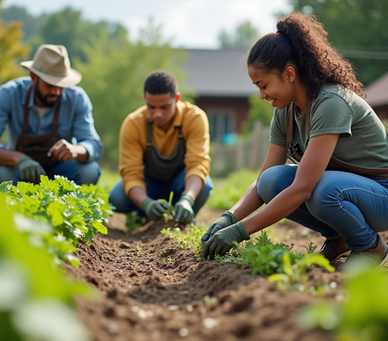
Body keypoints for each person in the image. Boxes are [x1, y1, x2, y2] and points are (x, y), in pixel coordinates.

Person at [202, 13, 388, 271]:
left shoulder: (331, 102)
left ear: (289, 73)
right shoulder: (285, 113)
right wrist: (229, 217)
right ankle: (340, 239)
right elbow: (263, 180)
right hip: (347, 190)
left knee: (323, 191)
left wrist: (240, 231)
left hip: (381, 194)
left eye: (264, 85)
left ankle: (369, 246)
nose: (261, 94)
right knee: (271, 182)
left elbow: (303, 187)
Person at [0, 44, 103, 186]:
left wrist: (75, 150)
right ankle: (15, 206)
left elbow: (94, 144)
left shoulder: (77, 98)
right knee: (5, 172)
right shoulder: (10, 93)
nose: (56, 92)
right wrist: (18, 159)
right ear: (33, 77)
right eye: (50, 85)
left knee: (89, 171)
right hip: (20, 169)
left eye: (61, 85)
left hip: (61, 171)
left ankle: (67, 206)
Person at [109, 70, 213, 225]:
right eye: (151, 107)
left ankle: (184, 216)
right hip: (149, 184)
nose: (157, 114)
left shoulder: (194, 118)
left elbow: (197, 164)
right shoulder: (133, 124)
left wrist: (187, 198)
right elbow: (131, 173)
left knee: (204, 186)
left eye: (164, 107)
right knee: (116, 198)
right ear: (144, 98)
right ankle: (145, 217)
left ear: (176, 98)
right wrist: (145, 202)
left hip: (181, 183)